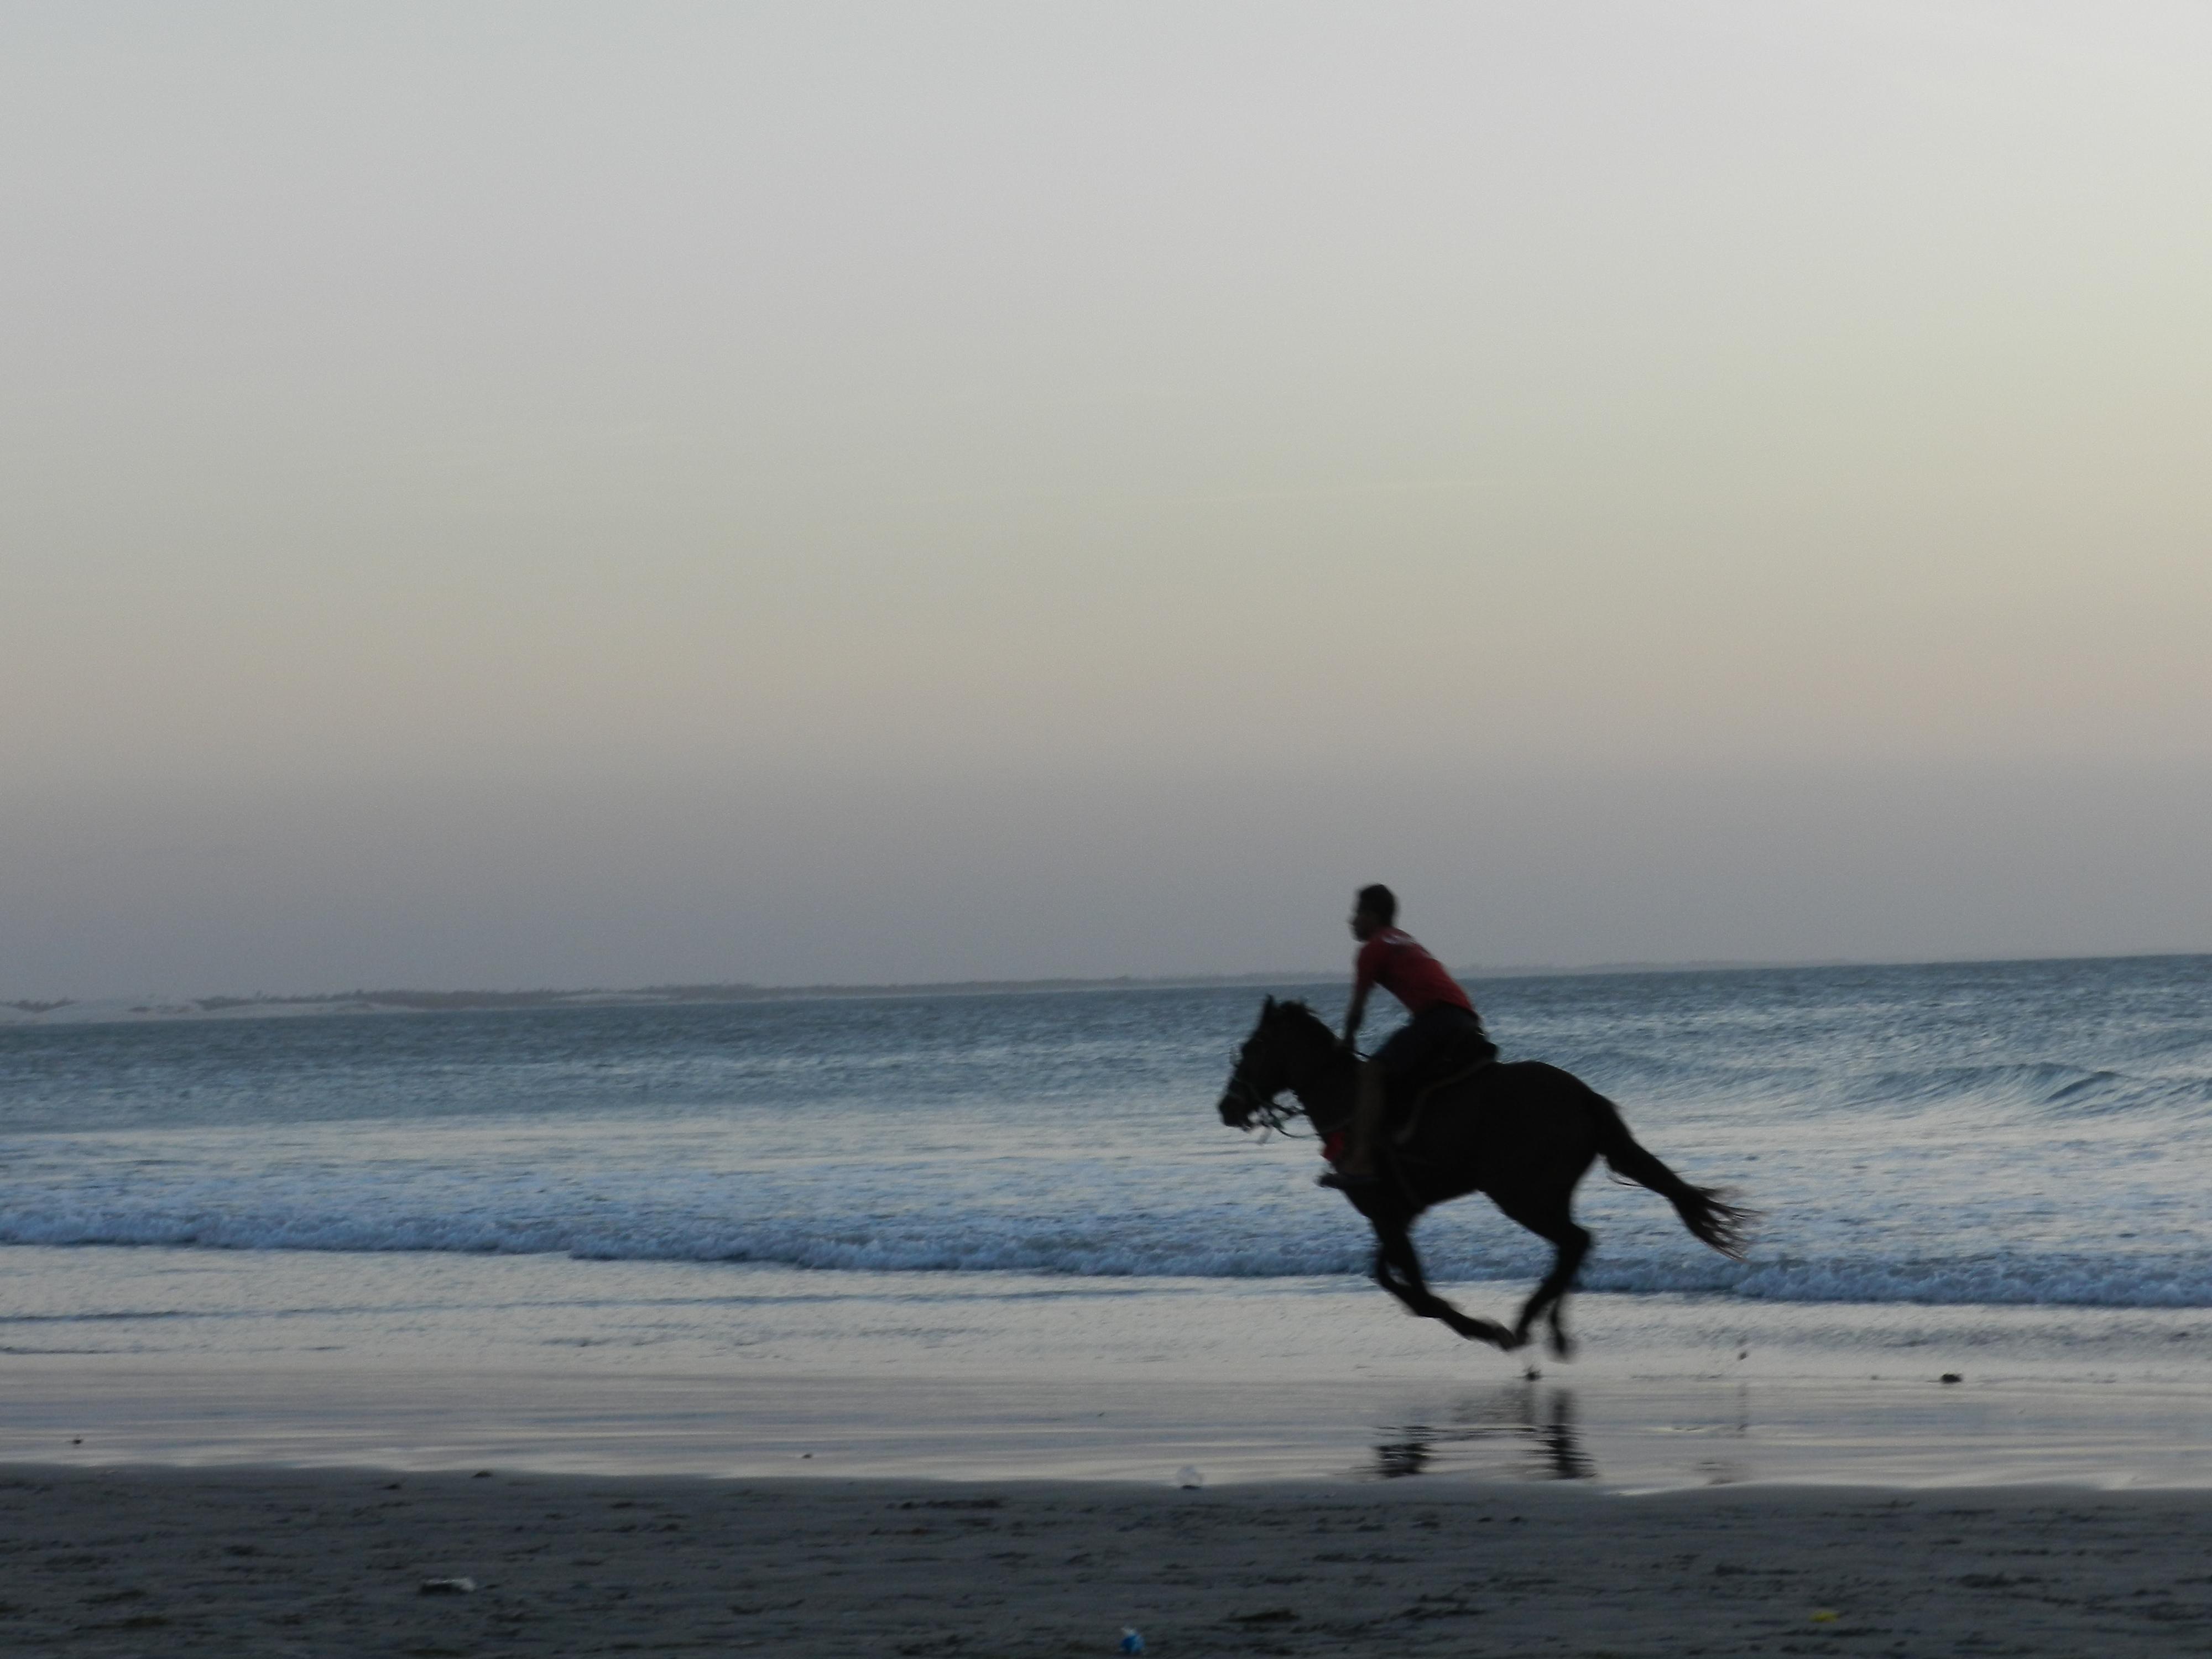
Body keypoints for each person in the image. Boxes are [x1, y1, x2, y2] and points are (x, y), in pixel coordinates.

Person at [1318, 884, 1495, 1190]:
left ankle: (1360, 1161)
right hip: (1461, 1017)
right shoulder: (1404, 940)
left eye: (1357, 913)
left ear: (1372, 916)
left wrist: (1346, 1041)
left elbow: (1358, 1007)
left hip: (1439, 1018)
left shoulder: (1373, 948)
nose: (1352, 921)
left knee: (1372, 1072)